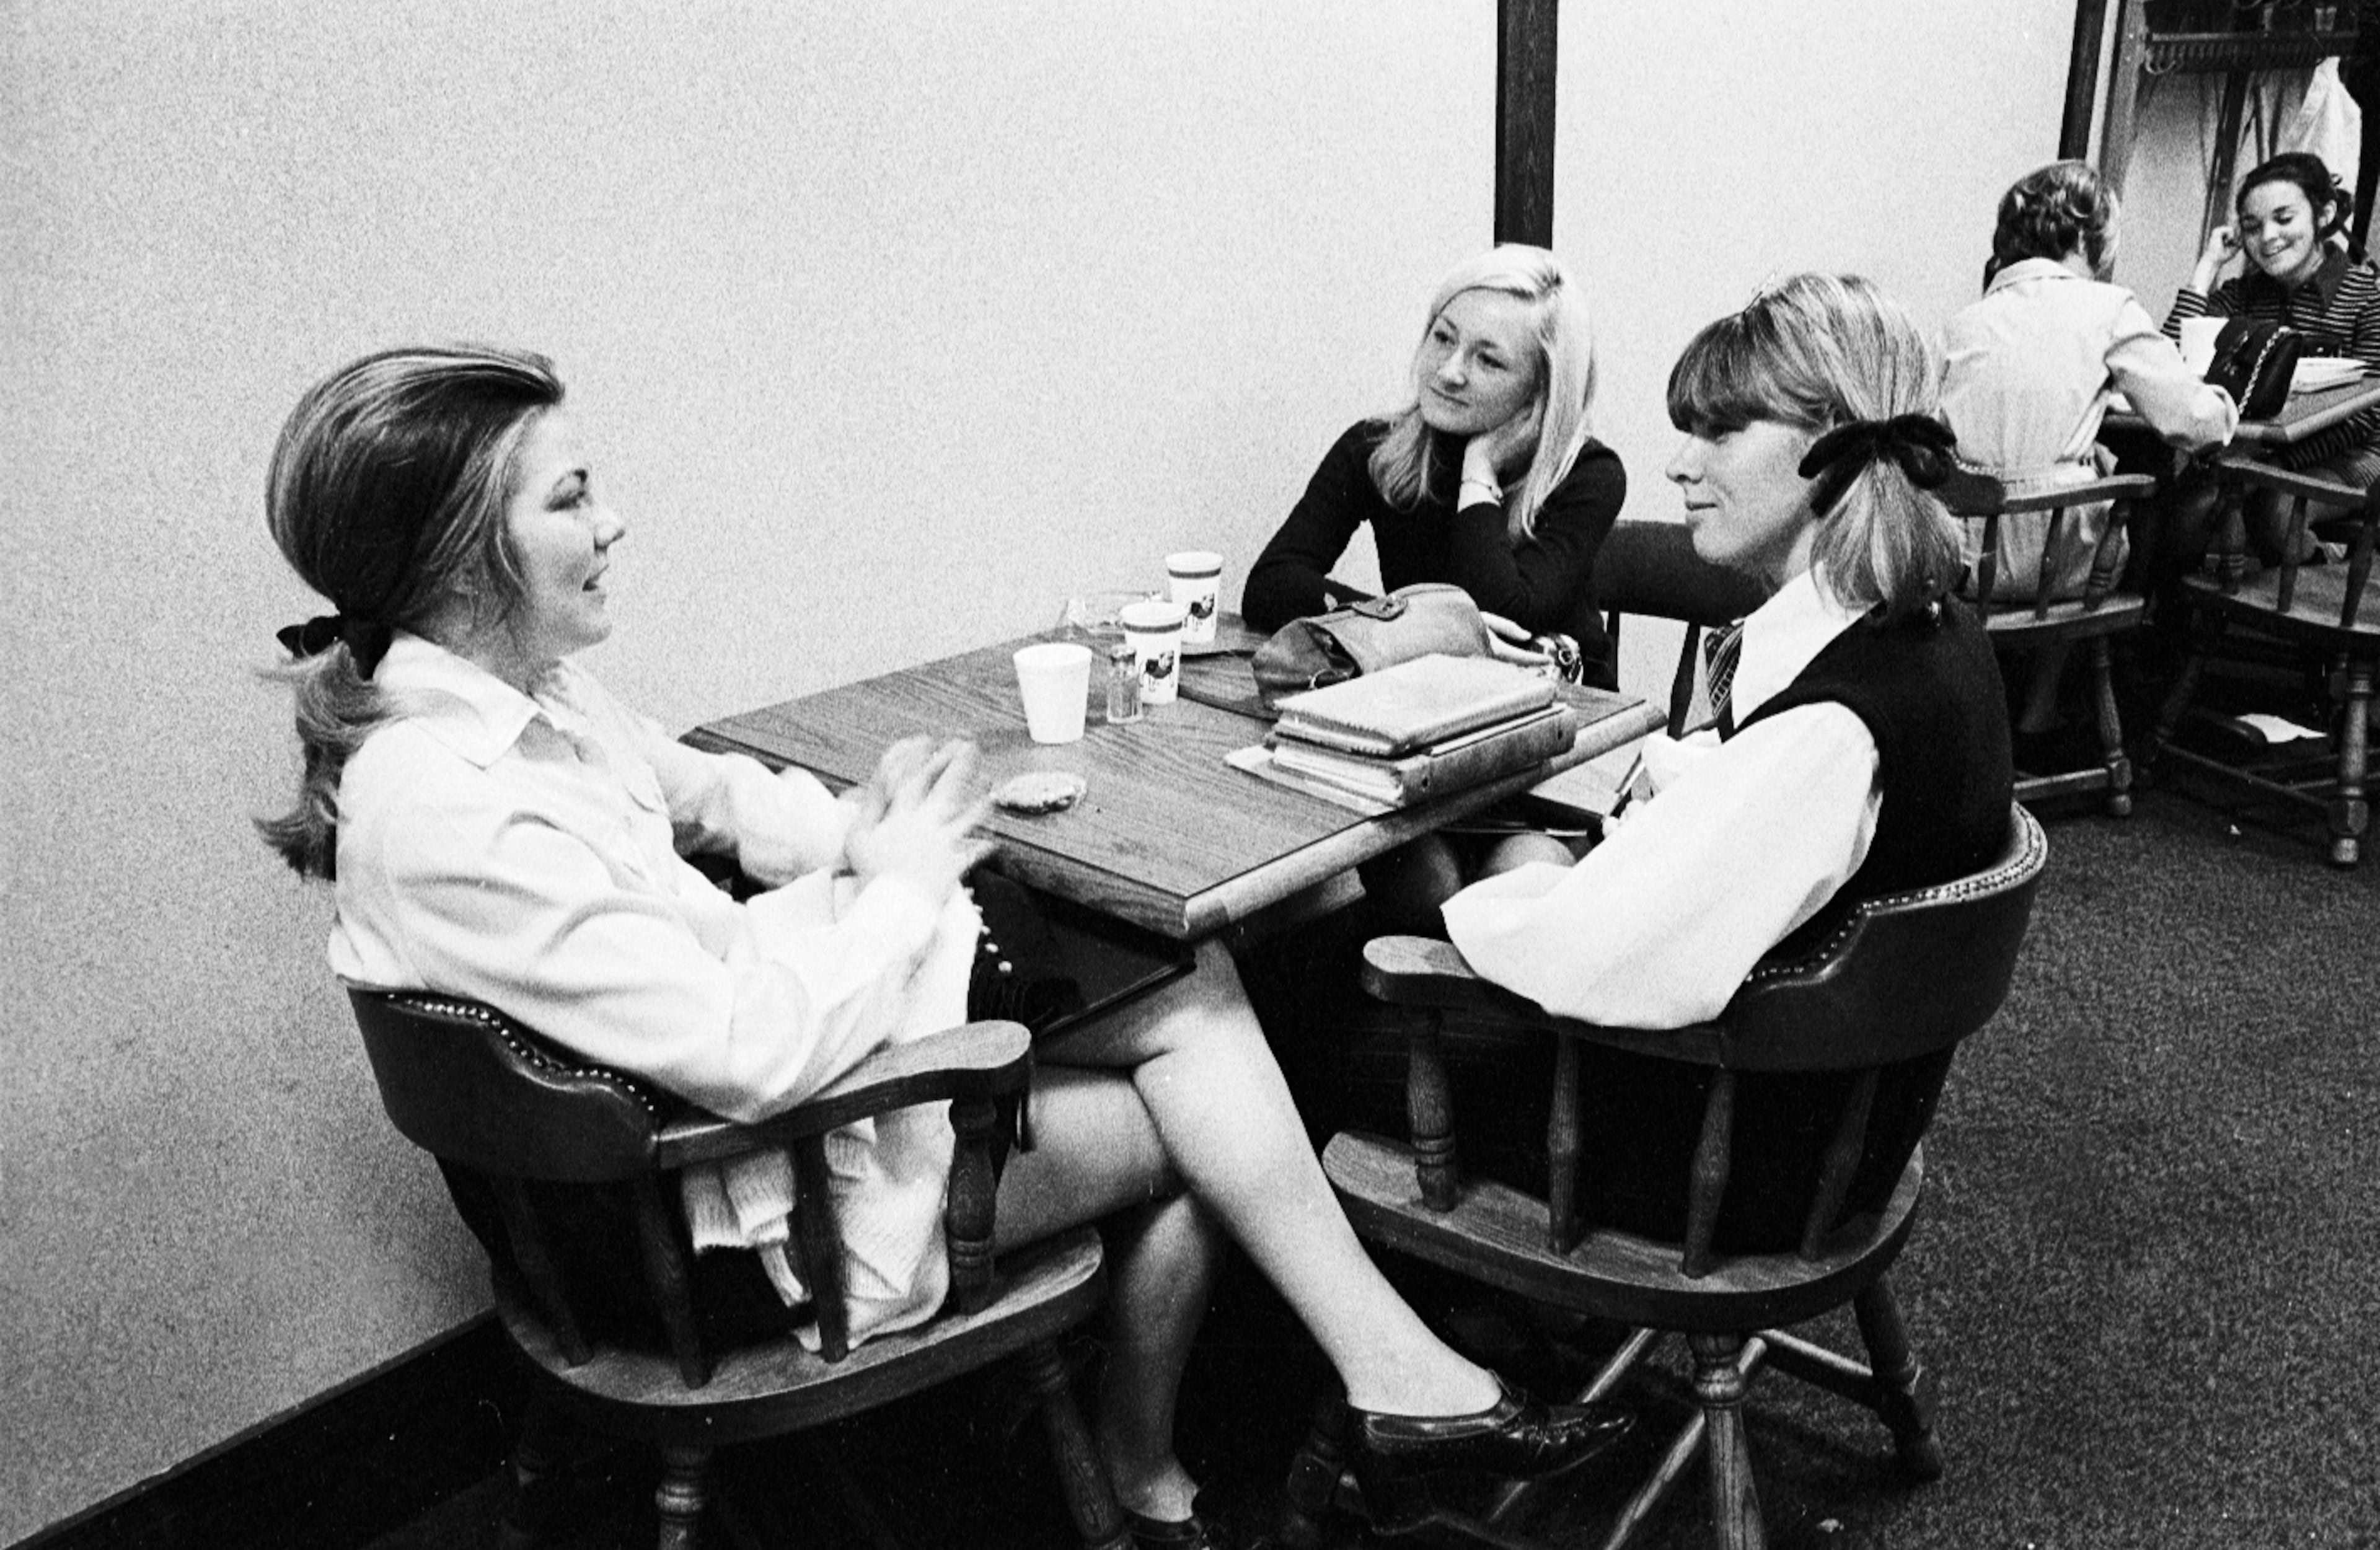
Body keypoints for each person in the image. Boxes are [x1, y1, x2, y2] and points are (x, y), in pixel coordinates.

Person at [257, 345, 1628, 1549]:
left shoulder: (519, 696)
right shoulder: (445, 805)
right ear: (456, 555)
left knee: (1196, 995)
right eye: (567, 499)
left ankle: (1366, 1383)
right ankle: (1182, 1455)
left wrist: (876, 824)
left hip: (721, 1095)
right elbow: (754, 1056)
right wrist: (907, 884)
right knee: (1210, 1099)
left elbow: (717, 792)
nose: (612, 523)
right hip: (698, 1210)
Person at [1424, 275, 2014, 1248]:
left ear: (1831, 446)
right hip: (1828, 1109)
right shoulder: (1926, 632)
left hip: (1722, 1149)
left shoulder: (1833, 728)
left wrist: (1461, 913)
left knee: (1305, 992)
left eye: (1721, 433)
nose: (1678, 464)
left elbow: (1599, 957)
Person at [1241, 242, 1627, 688]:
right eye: (1443, 337)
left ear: (1541, 390)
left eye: (1488, 359)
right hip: (1428, 703)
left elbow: (1509, 614)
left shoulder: (1588, 473)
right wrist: (1412, 628)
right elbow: (1270, 585)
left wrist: (1479, 472)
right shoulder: (1376, 447)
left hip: (1567, 718)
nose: (1449, 371)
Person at [1941, 160, 2236, 735]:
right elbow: (2189, 420)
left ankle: (2015, 701)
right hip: (2060, 565)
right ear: (2086, 237)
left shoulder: (1963, 324)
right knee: (2148, 491)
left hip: (1968, 560)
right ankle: (2070, 699)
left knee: (2087, 473)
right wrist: (2227, 405)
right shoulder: (2108, 309)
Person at [2164, 150, 2380, 564]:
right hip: (2253, 455)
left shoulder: (2366, 298)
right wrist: (2207, 267)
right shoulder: (2242, 294)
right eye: (2252, 226)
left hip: (2353, 456)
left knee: (2273, 511)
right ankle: (2179, 618)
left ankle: (2322, 567)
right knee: (2183, 506)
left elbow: (2367, 416)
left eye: (2284, 219)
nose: (2267, 237)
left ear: (2323, 215)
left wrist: (2272, 460)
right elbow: (2170, 356)